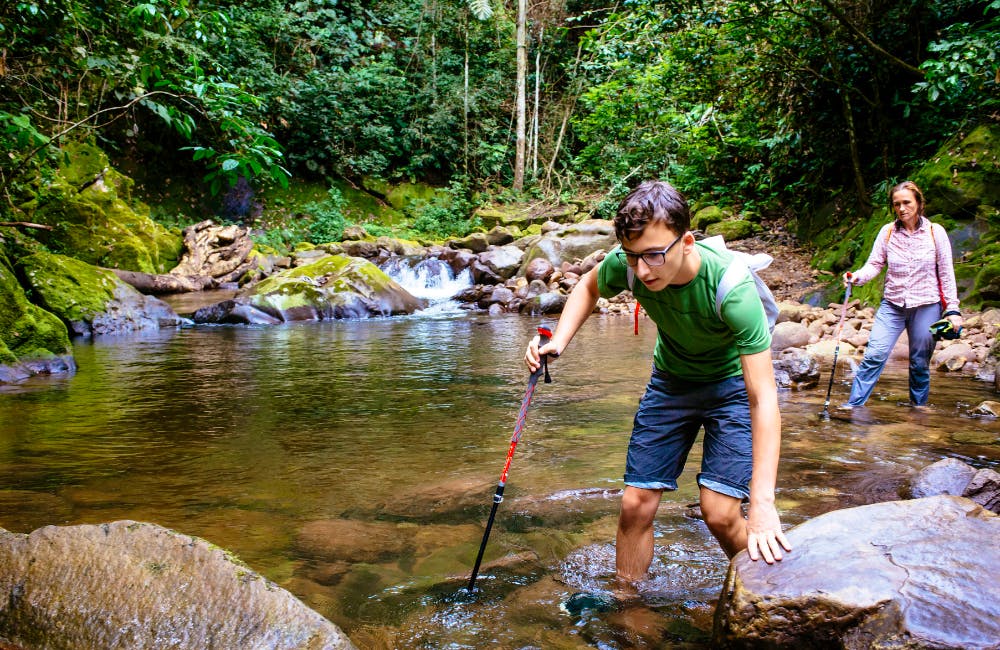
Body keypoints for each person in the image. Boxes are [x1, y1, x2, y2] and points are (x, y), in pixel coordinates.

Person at [524, 180, 791, 587]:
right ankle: (628, 610)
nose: (643, 270)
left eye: (653, 255)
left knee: (720, 513)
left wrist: (764, 502)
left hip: (732, 388)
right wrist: (558, 341)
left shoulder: (732, 288)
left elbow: (763, 397)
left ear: (686, 241)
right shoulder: (629, 264)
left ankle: (765, 594)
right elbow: (589, 286)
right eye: (633, 258)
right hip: (671, 383)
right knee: (635, 504)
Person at [840, 180, 962, 409]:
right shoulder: (887, 232)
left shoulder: (936, 233)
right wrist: (856, 277)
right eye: (896, 204)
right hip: (893, 305)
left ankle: (918, 410)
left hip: (927, 305)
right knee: (874, 354)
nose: (901, 208)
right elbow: (875, 264)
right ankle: (853, 406)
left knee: (919, 362)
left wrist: (953, 310)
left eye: (907, 202)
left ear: (918, 203)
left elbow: (946, 273)